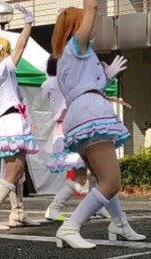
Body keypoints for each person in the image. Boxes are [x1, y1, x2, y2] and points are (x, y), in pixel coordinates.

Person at [51, 1, 145, 248]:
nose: (91, 26)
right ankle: (71, 225)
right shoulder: (75, 48)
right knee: (111, 181)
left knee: (102, 177)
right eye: (83, 22)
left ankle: (119, 223)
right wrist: (91, 7)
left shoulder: (74, 55)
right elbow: (92, 8)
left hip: (84, 113)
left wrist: (107, 76)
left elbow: (90, 83)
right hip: (90, 113)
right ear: (76, 26)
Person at [0, 7, 42, 230]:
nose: (8, 51)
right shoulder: (0, 67)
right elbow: (21, 47)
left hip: (4, 121)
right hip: (10, 121)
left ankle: (18, 212)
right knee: (14, 170)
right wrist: (28, 24)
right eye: (4, 49)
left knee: (15, 170)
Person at [41, 55, 110, 221]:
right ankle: (54, 208)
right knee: (82, 176)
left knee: (94, 171)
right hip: (73, 128)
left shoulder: (48, 83)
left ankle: (97, 206)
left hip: (64, 130)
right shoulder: (64, 82)